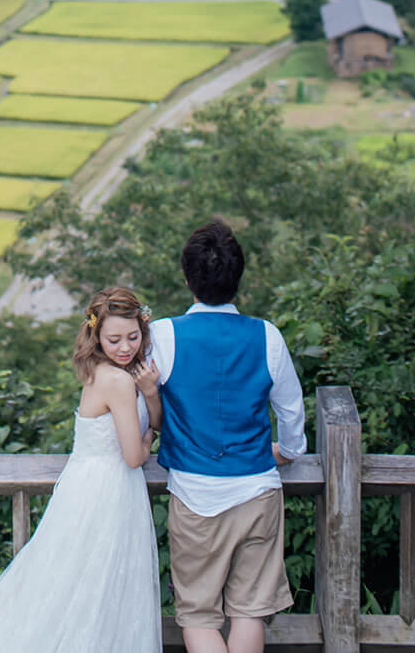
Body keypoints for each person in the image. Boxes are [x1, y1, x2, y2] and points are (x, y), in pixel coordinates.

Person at [0, 285, 163, 652]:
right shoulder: (117, 379)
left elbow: (145, 424)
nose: (126, 347)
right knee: (96, 589)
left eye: (133, 337)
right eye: (114, 339)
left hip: (89, 485)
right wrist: (149, 432)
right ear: (96, 336)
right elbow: (134, 457)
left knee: (75, 587)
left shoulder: (105, 372)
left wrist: (151, 395)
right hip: (106, 492)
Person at [149, 220, 307, 653]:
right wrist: (289, 451)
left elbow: (142, 404)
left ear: (187, 278)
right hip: (258, 490)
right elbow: (291, 410)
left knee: (199, 616)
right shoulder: (267, 336)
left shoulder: (163, 335)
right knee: (249, 612)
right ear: (238, 277)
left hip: (194, 493)